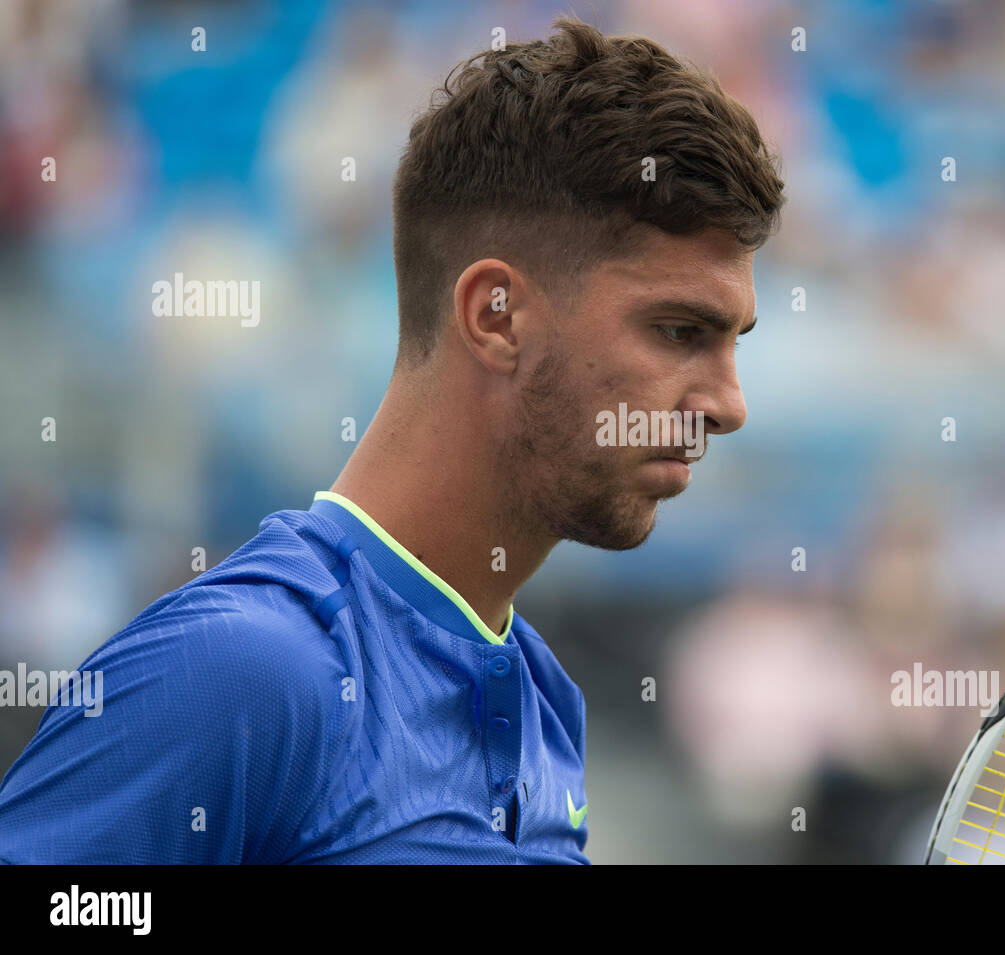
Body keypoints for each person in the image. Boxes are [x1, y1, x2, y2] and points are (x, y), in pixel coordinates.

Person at [0, 16, 785, 863]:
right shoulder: (239, 674)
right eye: (678, 330)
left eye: (734, 339)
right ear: (496, 315)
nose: (728, 403)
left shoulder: (547, 701)